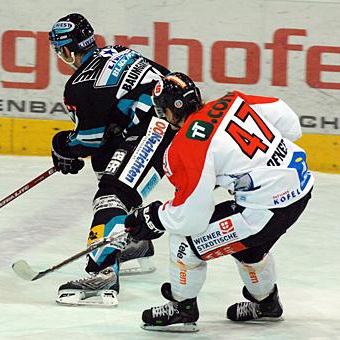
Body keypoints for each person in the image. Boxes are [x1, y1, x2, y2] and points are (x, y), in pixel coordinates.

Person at [124, 72, 314, 331]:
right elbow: (290, 124)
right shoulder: (232, 100)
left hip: (265, 209)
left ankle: (182, 310)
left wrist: (154, 217)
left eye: (163, 110)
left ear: (172, 109)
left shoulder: (186, 145)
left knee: (184, 240)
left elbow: (191, 217)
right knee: (249, 247)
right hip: (300, 187)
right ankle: (267, 304)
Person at [48, 13, 176, 306]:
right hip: (172, 122)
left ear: (66, 50)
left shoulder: (81, 83)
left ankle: (102, 273)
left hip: (154, 130)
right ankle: (135, 244)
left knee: (111, 195)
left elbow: (88, 140)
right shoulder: (120, 52)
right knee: (108, 162)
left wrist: (63, 147)